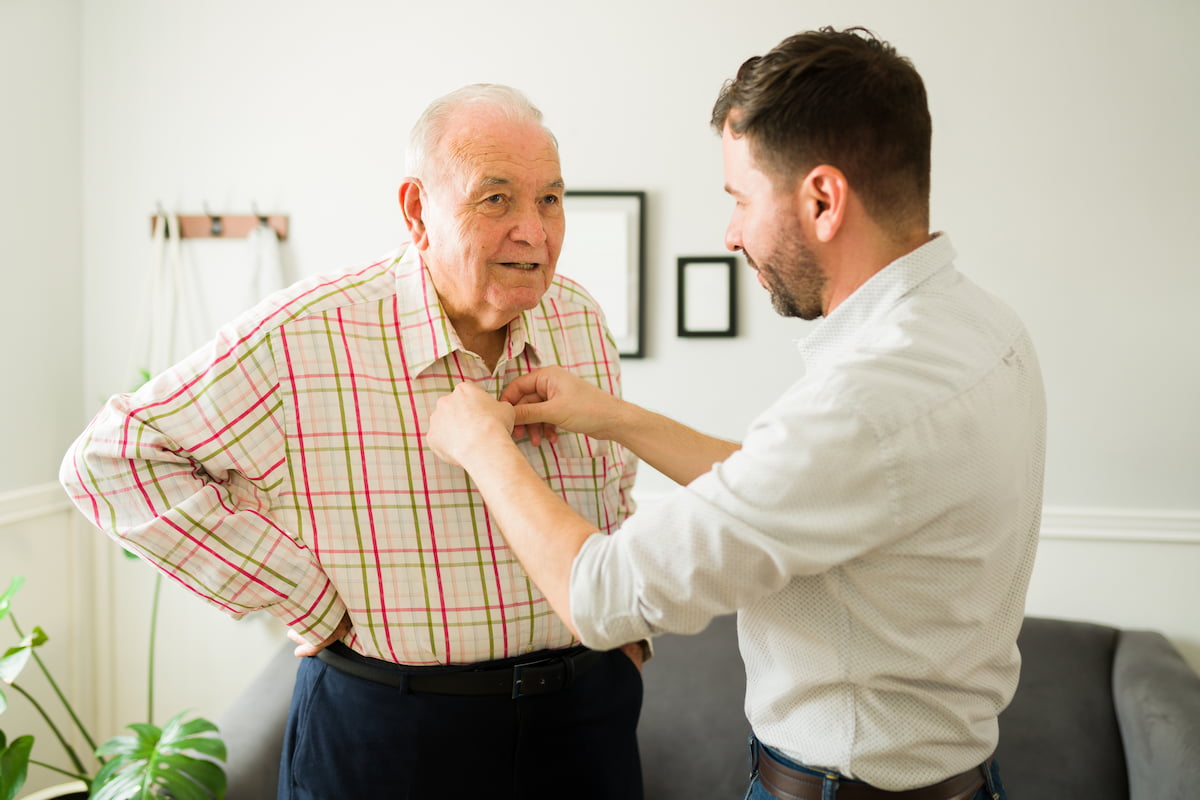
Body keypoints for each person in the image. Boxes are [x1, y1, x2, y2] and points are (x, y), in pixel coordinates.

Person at [426, 28, 1046, 800]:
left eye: (740, 200)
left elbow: (602, 596)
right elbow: (800, 490)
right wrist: (612, 415)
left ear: (822, 200)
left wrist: (484, 447)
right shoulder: (983, 328)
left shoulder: (863, 403)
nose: (731, 235)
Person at [59, 84, 647, 800]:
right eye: (496, 199)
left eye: (550, 199)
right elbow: (112, 458)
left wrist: (631, 638)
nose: (534, 230)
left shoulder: (579, 317)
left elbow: (613, 484)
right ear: (415, 210)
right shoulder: (305, 335)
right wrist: (306, 599)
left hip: (584, 718)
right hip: (392, 734)